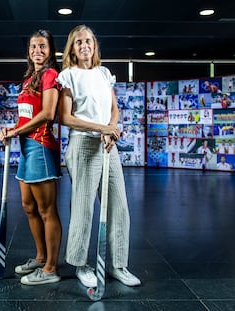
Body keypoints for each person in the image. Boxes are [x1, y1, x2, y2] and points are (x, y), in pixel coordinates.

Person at [57, 24, 141, 288]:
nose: (85, 45)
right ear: (72, 47)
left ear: (95, 45)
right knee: (83, 208)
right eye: (79, 42)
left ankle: (118, 265)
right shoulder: (68, 76)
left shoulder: (104, 73)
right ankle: (81, 265)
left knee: (120, 205)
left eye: (89, 41)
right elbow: (66, 117)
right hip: (83, 146)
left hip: (108, 145)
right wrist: (101, 128)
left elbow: (114, 110)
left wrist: (111, 129)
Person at [0, 29, 62, 285]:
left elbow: (47, 114)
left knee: (47, 210)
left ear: (50, 50)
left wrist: (17, 130)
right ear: (28, 51)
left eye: (43, 46)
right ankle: (39, 257)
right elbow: (24, 117)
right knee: (28, 206)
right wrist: (9, 130)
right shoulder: (29, 79)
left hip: (41, 146)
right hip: (25, 146)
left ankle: (51, 268)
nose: (38, 50)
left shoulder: (50, 75)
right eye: (33, 46)